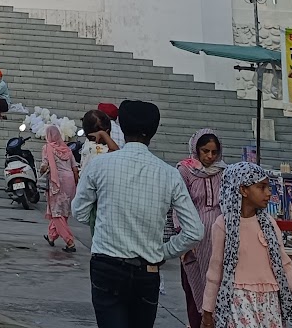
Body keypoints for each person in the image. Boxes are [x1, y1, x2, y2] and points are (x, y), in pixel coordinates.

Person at [71, 99, 204, 328]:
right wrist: (164, 251)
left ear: (120, 126)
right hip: (147, 268)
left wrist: (103, 217)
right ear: (153, 131)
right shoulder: (169, 174)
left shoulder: (99, 166)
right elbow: (194, 231)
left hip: (107, 264)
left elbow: (79, 212)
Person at [201, 161, 292, 328]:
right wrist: (207, 313)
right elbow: (215, 270)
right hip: (238, 300)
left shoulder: (269, 224)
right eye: (261, 187)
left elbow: (286, 267)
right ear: (243, 190)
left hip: (270, 303)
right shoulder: (223, 225)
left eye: (268, 187)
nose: (268, 193)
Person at [179, 129, 227, 328]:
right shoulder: (185, 170)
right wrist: (183, 239)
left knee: (217, 283)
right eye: (205, 151)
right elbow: (179, 204)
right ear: (195, 149)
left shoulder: (225, 171)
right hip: (194, 234)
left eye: (214, 152)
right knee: (193, 285)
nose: (209, 156)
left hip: (218, 235)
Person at [41, 122, 80, 252]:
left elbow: (44, 164)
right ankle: (52, 236)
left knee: (57, 213)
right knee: (64, 211)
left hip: (57, 181)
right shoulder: (67, 149)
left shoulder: (48, 148)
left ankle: (69, 241)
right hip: (70, 182)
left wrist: (43, 170)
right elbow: (75, 168)